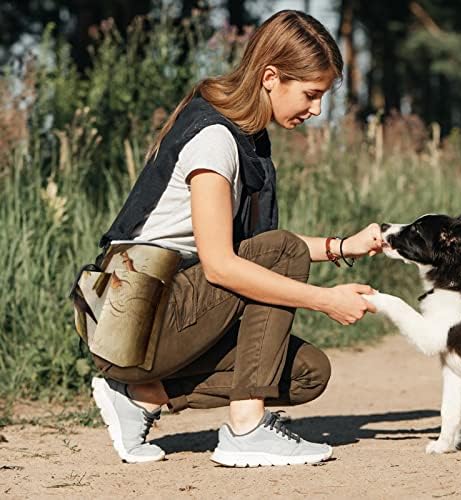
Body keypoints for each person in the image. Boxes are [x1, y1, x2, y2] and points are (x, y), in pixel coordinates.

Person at [90, 9, 382, 467]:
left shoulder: (244, 136)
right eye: (310, 94)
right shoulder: (215, 139)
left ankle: (143, 393)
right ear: (270, 77)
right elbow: (223, 266)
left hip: (157, 314)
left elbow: (254, 250)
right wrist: (323, 299)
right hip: (130, 314)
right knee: (280, 250)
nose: (316, 110)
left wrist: (343, 246)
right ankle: (247, 430)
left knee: (308, 373)